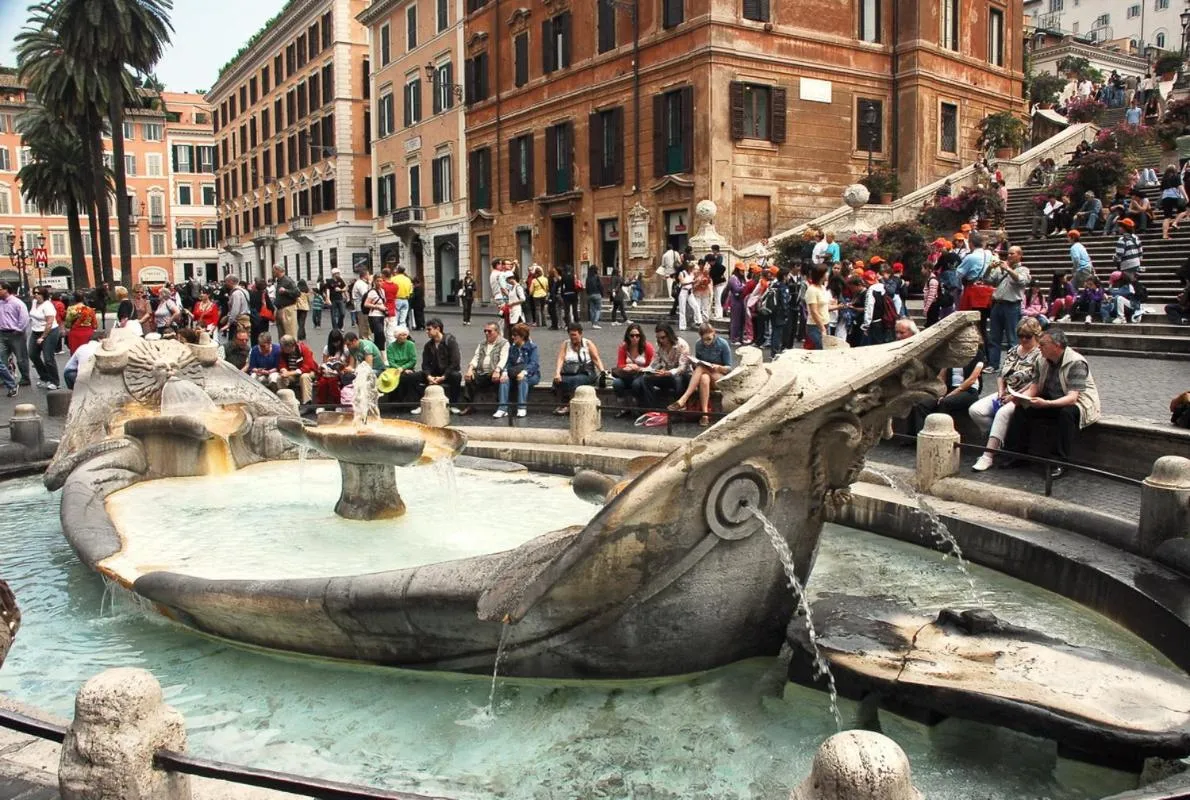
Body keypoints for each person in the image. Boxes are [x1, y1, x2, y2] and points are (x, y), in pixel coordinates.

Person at [1003, 328, 1101, 476]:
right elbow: (1035, 386)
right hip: (1050, 398)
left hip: (1079, 403)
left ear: (1056, 345)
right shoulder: (1040, 360)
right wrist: (1023, 398)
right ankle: (1016, 455)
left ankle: (1060, 463)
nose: (1039, 347)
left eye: (1042, 344)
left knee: (1066, 414)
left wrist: (1047, 404)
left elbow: (1073, 397)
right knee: (1022, 409)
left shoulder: (1076, 362)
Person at [969, 317, 1043, 472]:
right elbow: (1002, 374)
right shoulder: (1013, 350)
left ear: (1036, 335)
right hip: (1006, 390)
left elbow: (1036, 381)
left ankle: (988, 456)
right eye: (1020, 336)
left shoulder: (1040, 355)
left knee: (1002, 413)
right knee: (976, 410)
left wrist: (1014, 396)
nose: (1023, 339)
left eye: (1027, 336)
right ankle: (999, 441)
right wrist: (1001, 391)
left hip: (1025, 394)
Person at [906, 345, 985, 437]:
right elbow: (941, 376)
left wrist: (951, 394)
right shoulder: (950, 354)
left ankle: (939, 436)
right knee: (922, 403)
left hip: (968, 390)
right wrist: (939, 392)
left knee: (945, 402)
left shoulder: (977, 354)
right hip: (948, 388)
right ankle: (921, 437)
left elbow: (972, 379)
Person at [668, 322, 733, 427]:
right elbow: (699, 363)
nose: (706, 342)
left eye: (709, 339)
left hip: (719, 377)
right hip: (705, 374)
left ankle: (684, 398)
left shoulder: (723, 344)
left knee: (701, 368)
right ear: (700, 337)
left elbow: (729, 368)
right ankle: (705, 415)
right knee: (703, 378)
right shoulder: (699, 344)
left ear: (714, 333)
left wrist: (719, 367)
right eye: (704, 339)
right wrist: (694, 362)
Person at [986, 246, 1030, 373]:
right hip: (997, 304)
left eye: (1012, 253)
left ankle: (1013, 365)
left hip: (1012, 306)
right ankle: (993, 364)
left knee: (1012, 337)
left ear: (1019, 255)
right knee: (994, 336)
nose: (1009, 256)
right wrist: (989, 268)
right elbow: (988, 280)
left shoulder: (1023, 269)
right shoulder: (1001, 269)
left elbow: (1021, 281)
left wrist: (1008, 269)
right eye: (1008, 253)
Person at [633, 323, 691, 409]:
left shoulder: (682, 345)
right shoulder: (659, 345)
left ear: (669, 335)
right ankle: (651, 408)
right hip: (666, 374)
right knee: (646, 378)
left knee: (677, 379)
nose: (660, 340)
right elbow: (655, 363)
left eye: (663, 337)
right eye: (658, 338)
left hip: (682, 375)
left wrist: (669, 373)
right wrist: (645, 370)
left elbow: (682, 367)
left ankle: (679, 406)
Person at [409, 318, 462, 413]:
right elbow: (425, 364)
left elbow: (455, 362)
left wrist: (443, 376)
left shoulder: (450, 341)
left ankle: (453, 404)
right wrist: (428, 376)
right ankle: (420, 403)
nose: (426, 332)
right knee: (412, 377)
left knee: (456, 376)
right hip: (433, 373)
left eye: (429, 329)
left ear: (437, 329)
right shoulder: (428, 345)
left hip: (447, 373)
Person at [551, 322, 605, 415]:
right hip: (570, 371)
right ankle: (562, 404)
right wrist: (557, 373)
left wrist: (603, 371)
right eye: (570, 335)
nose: (572, 337)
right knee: (558, 380)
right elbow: (560, 359)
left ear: (580, 334)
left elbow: (596, 359)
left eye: (574, 335)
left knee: (575, 380)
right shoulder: (566, 344)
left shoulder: (588, 344)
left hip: (587, 372)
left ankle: (568, 405)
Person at [460, 322, 509, 414]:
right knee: (469, 378)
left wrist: (497, 370)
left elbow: (504, 358)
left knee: (500, 379)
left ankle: (501, 406)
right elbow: (476, 357)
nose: (486, 333)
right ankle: (469, 406)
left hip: (494, 372)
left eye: (489, 331)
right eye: (485, 331)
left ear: (497, 332)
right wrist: (470, 369)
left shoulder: (503, 343)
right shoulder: (482, 343)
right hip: (481, 372)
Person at [611, 322, 655, 417]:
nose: (635, 338)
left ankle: (636, 405)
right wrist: (628, 367)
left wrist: (638, 368)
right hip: (627, 374)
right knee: (617, 383)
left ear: (641, 336)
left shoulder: (647, 347)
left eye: (637, 335)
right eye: (632, 335)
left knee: (636, 384)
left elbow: (651, 366)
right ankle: (623, 407)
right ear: (628, 336)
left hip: (641, 375)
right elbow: (620, 364)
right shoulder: (623, 347)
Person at [498, 322, 540, 418]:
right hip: (514, 373)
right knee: (504, 380)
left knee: (523, 379)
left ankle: (522, 407)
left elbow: (534, 364)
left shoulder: (532, 347)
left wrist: (524, 372)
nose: (513, 337)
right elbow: (508, 362)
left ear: (522, 336)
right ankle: (502, 408)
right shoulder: (513, 348)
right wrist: (504, 372)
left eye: (515, 335)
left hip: (531, 375)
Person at [27, 287, 60, 390]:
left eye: (38, 293)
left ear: (43, 294)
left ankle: (55, 381)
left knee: (48, 358)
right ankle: (45, 377)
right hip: (36, 331)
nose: (35, 295)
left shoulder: (48, 306)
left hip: (49, 331)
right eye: (34, 293)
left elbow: (49, 323)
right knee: (32, 354)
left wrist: (43, 337)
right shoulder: (34, 302)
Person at [380, 325, 419, 407]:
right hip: (394, 369)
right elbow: (391, 362)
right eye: (401, 335)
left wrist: (403, 368)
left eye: (405, 335)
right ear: (396, 336)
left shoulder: (410, 345)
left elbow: (413, 360)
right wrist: (400, 369)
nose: (404, 337)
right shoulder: (391, 347)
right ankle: (395, 402)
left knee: (408, 377)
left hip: (408, 368)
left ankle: (408, 402)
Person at [276, 334, 316, 403]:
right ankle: (284, 400)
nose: (282, 349)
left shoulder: (304, 349)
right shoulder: (283, 352)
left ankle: (307, 403)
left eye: (284, 348)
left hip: (307, 372)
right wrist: (283, 370)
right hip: (292, 374)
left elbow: (307, 367)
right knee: (280, 378)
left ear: (290, 346)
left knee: (304, 377)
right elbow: (282, 364)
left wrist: (289, 373)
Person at [317, 329, 349, 405]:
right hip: (329, 372)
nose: (336, 344)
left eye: (338, 342)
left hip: (340, 372)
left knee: (332, 382)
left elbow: (348, 364)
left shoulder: (345, 349)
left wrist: (341, 362)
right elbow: (324, 363)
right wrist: (328, 361)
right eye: (334, 342)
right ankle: (321, 404)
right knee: (322, 382)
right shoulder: (327, 348)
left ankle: (337, 403)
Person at [803, 264, 830, 350]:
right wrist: (822, 328)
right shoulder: (812, 290)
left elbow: (825, 306)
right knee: (819, 349)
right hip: (815, 326)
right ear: (821, 274)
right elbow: (814, 311)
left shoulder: (823, 287)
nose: (828, 274)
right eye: (826, 272)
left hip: (825, 324)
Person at [271, 265, 299, 339]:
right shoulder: (279, 281)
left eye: (274, 270)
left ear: (278, 270)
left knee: (290, 335)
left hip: (287, 309)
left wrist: (285, 291)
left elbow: (297, 293)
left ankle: (292, 350)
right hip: (280, 309)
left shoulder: (287, 280)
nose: (273, 272)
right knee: (281, 336)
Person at [1160, 165, 1187, 240]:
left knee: (1167, 217)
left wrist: (1161, 200)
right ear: (1174, 170)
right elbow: (1180, 187)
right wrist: (1186, 197)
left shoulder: (1164, 179)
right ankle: (1175, 223)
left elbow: (1162, 191)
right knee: (1184, 211)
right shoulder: (1176, 176)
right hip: (1174, 196)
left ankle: (1165, 235)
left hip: (1165, 198)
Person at [363, 274, 388, 350]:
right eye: (377, 281)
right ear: (374, 281)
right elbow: (366, 304)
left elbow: (383, 302)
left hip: (381, 315)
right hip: (374, 316)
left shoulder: (382, 291)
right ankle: (380, 352)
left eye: (381, 281)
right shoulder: (372, 292)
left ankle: (377, 352)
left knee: (379, 337)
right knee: (380, 335)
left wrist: (384, 308)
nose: (379, 283)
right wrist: (377, 307)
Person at [351, 268, 372, 340]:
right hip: (361, 307)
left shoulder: (363, 283)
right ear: (365, 276)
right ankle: (364, 339)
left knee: (366, 324)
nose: (369, 276)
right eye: (368, 274)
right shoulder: (360, 284)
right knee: (363, 324)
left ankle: (367, 338)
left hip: (363, 307)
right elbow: (365, 295)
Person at [708, 244, 727, 320]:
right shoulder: (716, 257)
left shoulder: (719, 257)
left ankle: (719, 314)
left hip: (719, 282)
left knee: (718, 298)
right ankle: (717, 313)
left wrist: (719, 274)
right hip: (716, 282)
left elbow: (722, 267)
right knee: (716, 298)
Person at [584, 265, 603, 329]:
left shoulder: (588, 278)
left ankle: (592, 323)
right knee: (598, 309)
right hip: (597, 294)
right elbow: (600, 286)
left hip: (590, 295)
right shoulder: (597, 277)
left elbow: (586, 287)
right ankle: (595, 323)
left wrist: (588, 294)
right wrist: (602, 294)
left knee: (592, 309)